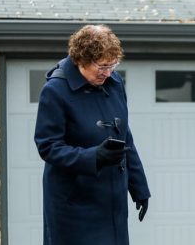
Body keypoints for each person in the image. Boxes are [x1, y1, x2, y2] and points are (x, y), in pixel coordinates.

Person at [34, 24, 151, 245]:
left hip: (111, 199)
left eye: (112, 66)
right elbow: (48, 146)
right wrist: (93, 157)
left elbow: (126, 136)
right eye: (102, 67)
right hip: (73, 205)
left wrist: (139, 186)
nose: (107, 73)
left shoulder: (114, 84)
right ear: (81, 60)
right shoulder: (55, 90)